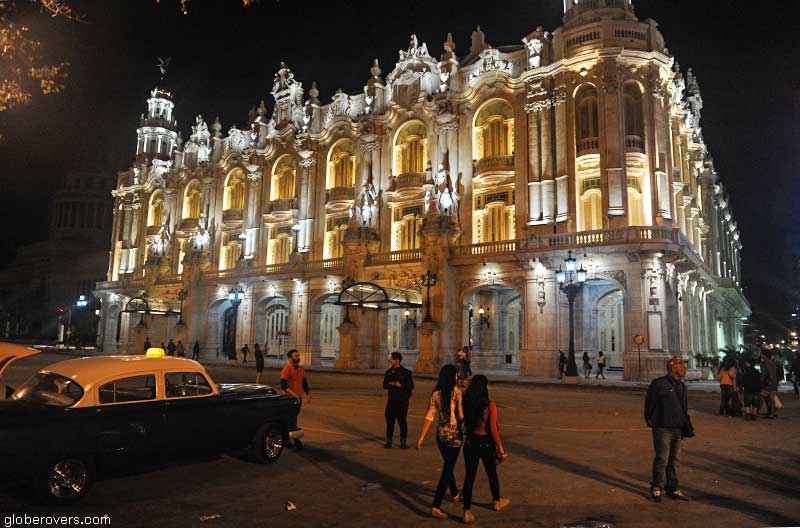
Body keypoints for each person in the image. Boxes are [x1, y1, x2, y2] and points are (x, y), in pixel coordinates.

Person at [416, 364, 464, 520]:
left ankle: (455, 493)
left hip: (441, 435)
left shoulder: (436, 394)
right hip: (454, 434)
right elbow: (461, 416)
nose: (458, 376)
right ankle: (436, 505)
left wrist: (422, 437)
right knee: (447, 469)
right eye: (456, 374)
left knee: (448, 465)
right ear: (452, 376)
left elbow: (430, 416)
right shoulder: (457, 392)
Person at [461, 375, 510, 523]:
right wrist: (501, 449)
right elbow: (493, 428)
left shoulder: (466, 402)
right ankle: (497, 500)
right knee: (491, 473)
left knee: (469, 476)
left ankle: (466, 511)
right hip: (484, 443)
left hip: (469, 441)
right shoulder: (489, 405)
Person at [644, 356, 691, 502]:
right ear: (673, 368)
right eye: (681, 366)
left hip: (677, 428)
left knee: (675, 461)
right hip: (662, 428)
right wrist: (653, 421)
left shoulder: (682, 386)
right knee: (662, 459)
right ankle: (656, 487)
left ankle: (672, 488)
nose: (685, 369)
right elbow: (649, 404)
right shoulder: (659, 384)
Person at [383, 352, 414, 449]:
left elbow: (410, 386)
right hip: (391, 400)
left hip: (402, 401)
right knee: (390, 421)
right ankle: (389, 441)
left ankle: (403, 441)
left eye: (391, 358)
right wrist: (392, 383)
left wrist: (401, 385)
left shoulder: (406, 373)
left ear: (397, 360)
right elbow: (384, 385)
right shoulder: (389, 372)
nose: (390, 360)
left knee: (402, 421)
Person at [281, 349, 310, 449]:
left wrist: (308, 393)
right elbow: (284, 386)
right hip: (289, 399)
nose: (298, 357)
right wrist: (294, 395)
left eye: (298, 355)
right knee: (292, 420)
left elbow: (304, 382)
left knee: (291, 419)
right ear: (290, 358)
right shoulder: (287, 369)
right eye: (296, 356)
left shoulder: (301, 369)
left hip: (298, 398)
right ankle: (297, 441)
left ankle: (285, 440)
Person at [759, 350, 778, 419]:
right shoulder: (773, 362)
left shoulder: (764, 364)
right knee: (772, 399)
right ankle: (771, 413)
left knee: (762, 397)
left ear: (764, 355)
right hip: (774, 383)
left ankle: (756, 412)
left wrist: (761, 380)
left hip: (767, 384)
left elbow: (764, 374)